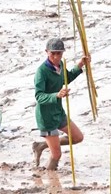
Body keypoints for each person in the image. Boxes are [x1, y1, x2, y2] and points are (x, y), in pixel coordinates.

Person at [32, 37, 89, 171]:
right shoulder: (42, 72)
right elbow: (39, 96)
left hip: (58, 112)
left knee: (77, 137)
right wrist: (56, 95)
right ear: (47, 52)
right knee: (56, 154)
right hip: (46, 117)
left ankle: (41, 146)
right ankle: (51, 179)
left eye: (59, 53)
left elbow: (66, 78)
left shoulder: (61, 65)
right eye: (53, 53)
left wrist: (80, 65)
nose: (56, 57)